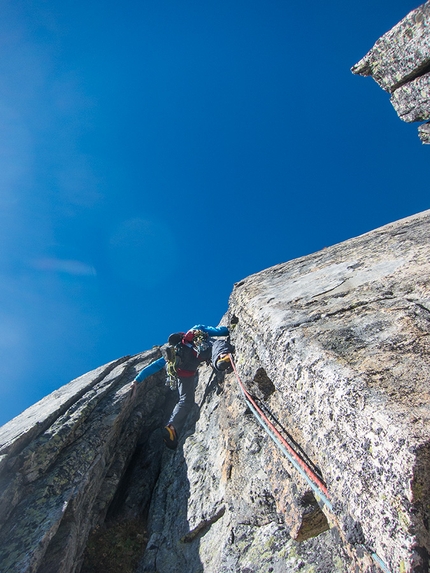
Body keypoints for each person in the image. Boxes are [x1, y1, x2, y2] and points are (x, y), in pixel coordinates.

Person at [131, 324, 233, 449]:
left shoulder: (173, 352)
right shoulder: (196, 330)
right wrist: (230, 328)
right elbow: (220, 331)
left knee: (185, 401)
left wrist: (137, 380)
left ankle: (171, 429)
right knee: (216, 343)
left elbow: (154, 366)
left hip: (184, 372)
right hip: (199, 353)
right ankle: (221, 358)